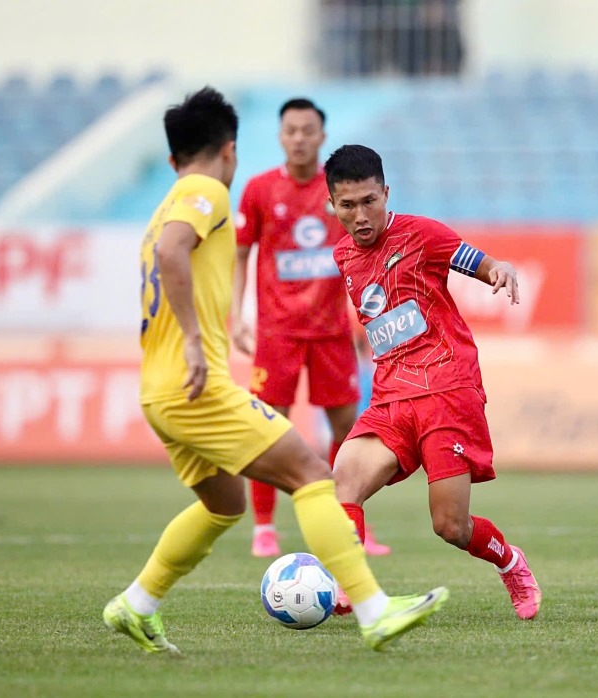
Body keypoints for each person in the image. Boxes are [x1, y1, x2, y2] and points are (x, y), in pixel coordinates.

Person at [101, 87, 447, 655]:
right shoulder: (205, 190)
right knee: (314, 474)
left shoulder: (166, 200)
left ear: (171, 158)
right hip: (197, 386)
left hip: (159, 390)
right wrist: (194, 341)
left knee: (224, 504)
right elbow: (172, 252)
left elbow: (166, 250)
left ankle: (137, 604)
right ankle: (374, 610)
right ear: (230, 151)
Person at [324, 144, 542, 621]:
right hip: (391, 397)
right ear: (332, 206)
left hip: (447, 390)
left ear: (385, 192)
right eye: (347, 205)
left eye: (369, 202)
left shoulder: (423, 235)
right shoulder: (343, 254)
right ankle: (352, 587)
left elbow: (483, 264)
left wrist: (500, 270)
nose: (360, 215)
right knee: (343, 479)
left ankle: (511, 561)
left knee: (450, 525)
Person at [232, 97, 390, 558]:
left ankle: (353, 525)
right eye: (290, 131)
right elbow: (241, 254)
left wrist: (368, 317)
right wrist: (237, 315)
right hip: (277, 332)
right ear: (280, 136)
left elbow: (365, 255)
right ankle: (263, 526)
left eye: (307, 130)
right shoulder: (260, 190)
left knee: (351, 430)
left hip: (330, 333)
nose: (298, 138)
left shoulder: (341, 193)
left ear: (321, 136)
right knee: (266, 428)